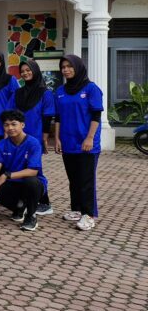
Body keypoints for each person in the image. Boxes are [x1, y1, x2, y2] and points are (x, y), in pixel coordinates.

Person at [55, 55, 103, 231]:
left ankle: (88, 215)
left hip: (86, 144)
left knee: (86, 181)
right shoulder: (60, 91)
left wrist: (90, 138)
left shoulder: (91, 89)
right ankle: (76, 210)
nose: (66, 70)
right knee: (73, 179)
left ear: (78, 67)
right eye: (63, 67)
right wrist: (58, 138)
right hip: (68, 142)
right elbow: (58, 117)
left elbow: (96, 115)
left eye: (69, 66)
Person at [0, 109, 47, 232]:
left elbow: (33, 171)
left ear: (22, 125)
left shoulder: (33, 143)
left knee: (31, 181)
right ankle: (19, 208)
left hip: (32, 184)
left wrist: (7, 175)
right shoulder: (2, 144)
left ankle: (31, 216)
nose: (10, 128)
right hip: (14, 184)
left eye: (14, 124)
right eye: (6, 125)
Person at [15, 59, 55, 215]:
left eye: (28, 70)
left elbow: (47, 117)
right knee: (22, 168)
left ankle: (45, 202)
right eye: (23, 71)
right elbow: (12, 115)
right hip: (18, 138)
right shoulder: (18, 93)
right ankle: (28, 200)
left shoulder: (45, 93)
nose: (25, 73)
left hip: (35, 138)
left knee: (35, 170)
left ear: (35, 71)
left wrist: (44, 138)